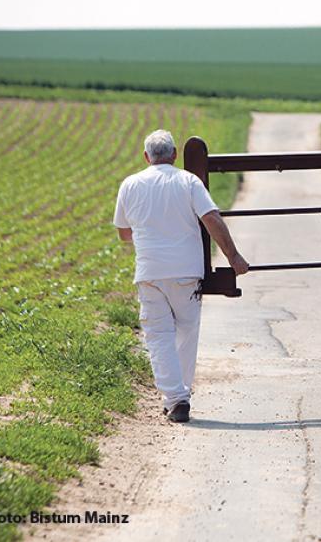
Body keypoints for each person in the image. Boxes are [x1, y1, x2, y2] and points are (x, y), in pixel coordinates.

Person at [113, 130, 249, 423]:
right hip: (187, 271)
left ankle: (176, 398)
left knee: (158, 336)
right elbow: (211, 218)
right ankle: (179, 397)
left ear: (146, 157)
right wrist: (233, 256)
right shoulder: (189, 181)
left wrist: (149, 232)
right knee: (186, 332)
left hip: (149, 272)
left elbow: (124, 233)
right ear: (174, 154)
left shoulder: (130, 184)